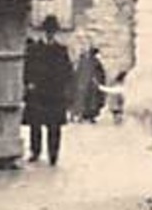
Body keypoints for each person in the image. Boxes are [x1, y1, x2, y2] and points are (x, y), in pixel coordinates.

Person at [23, 15, 73, 165]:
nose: (49, 34)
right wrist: (29, 83)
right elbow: (26, 68)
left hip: (54, 93)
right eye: (47, 31)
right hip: (37, 92)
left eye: (52, 31)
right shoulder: (33, 49)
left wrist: (63, 86)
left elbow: (67, 71)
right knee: (35, 125)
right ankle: (35, 151)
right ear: (42, 32)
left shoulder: (61, 50)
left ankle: (53, 154)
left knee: (54, 127)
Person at [72, 44, 107, 123]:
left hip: (90, 85)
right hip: (89, 85)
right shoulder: (90, 62)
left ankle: (87, 115)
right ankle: (85, 115)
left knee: (90, 101)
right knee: (88, 101)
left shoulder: (89, 62)